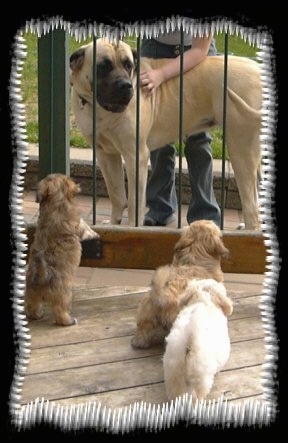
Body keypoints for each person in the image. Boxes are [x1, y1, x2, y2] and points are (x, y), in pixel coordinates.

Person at [140, 27, 221, 227]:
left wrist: (160, 74)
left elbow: (200, 50)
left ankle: (205, 215)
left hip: (197, 53)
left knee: (198, 138)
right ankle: (160, 208)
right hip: (155, 47)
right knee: (157, 137)